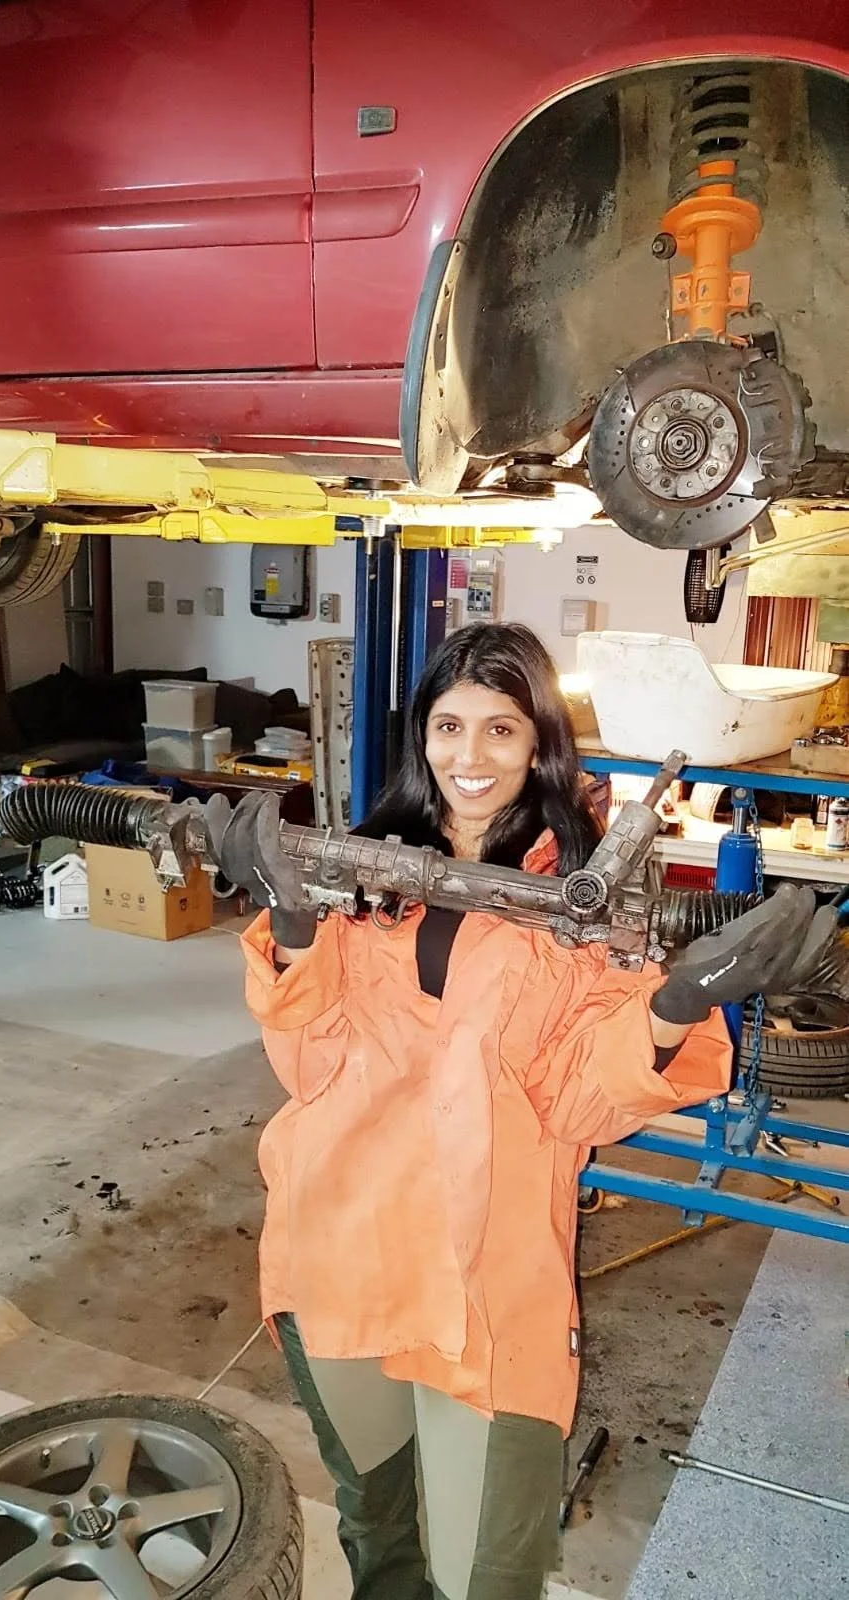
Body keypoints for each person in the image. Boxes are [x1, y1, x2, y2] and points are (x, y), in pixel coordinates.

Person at [209, 622, 819, 1600]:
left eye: (501, 728)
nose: (469, 756)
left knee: (486, 1577)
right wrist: (290, 925)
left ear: (540, 741)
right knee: (380, 1534)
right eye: (448, 726)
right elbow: (307, 1063)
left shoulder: (585, 901)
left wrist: (675, 1003)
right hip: (341, 1254)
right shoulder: (364, 868)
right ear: (421, 737)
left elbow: (582, 1095)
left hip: (491, 1286)